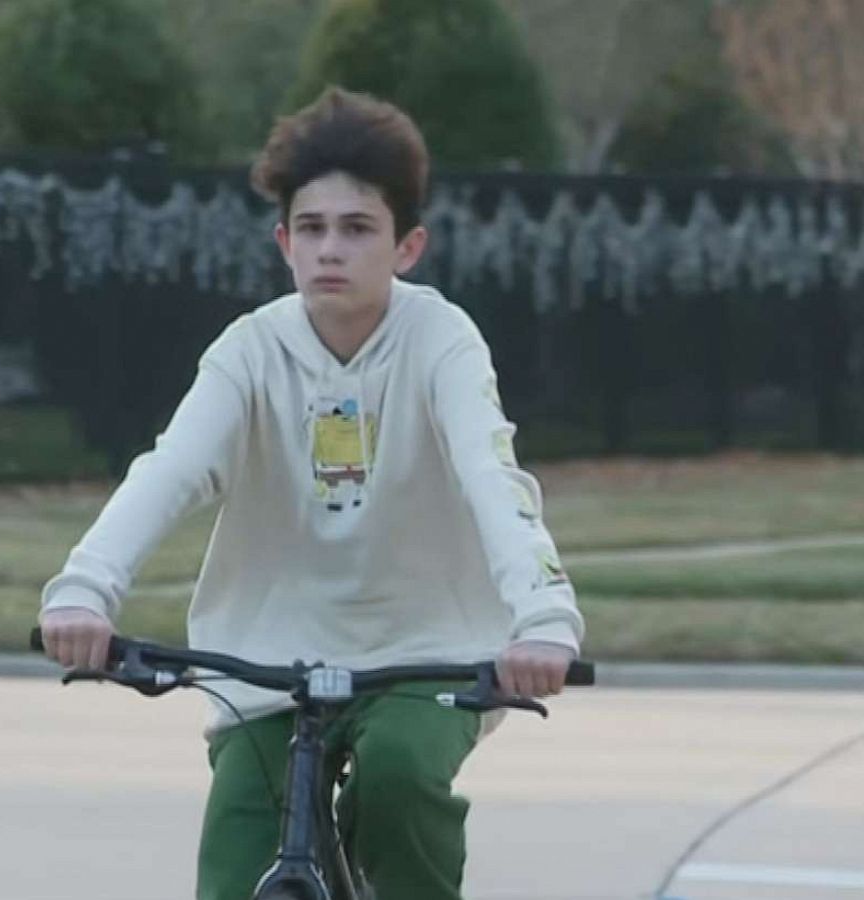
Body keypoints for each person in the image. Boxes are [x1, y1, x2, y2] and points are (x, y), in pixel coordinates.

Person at [38, 86, 584, 900]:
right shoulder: (249, 352)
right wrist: (85, 590)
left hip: (425, 650)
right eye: (314, 229)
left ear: (407, 247)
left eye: (358, 229)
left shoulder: (441, 342)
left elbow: (489, 475)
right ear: (285, 242)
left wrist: (544, 618)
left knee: (399, 781)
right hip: (265, 653)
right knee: (235, 857)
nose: (332, 249)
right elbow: (170, 471)